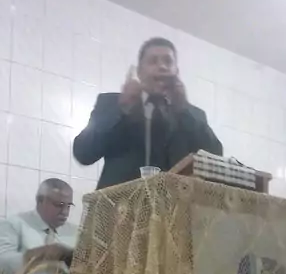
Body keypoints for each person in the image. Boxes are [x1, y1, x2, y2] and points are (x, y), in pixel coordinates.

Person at [73, 37, 223, 189]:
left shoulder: (193, 115)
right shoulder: (110, 103)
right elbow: (83, 153)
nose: (162, 66)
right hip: (119, 202)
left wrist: (183, 109)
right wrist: (122, 109)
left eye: (168, 61)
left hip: (175, 203)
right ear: (139, 71)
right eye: (153, 61)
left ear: (176, 72)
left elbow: (216, 160)